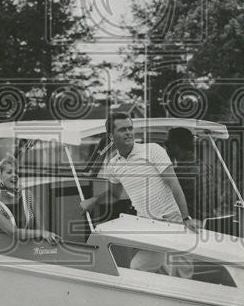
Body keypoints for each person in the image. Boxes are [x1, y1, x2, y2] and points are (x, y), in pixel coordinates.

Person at [80, 113, 197, 275]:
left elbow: (174, 185)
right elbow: (114, 194)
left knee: (175, 272)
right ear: (111, 136)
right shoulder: (113, 164)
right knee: (150, 268)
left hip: (172, 220)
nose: (128, 132)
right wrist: (93, 200)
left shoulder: (153, 150)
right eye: (122, 129)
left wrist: (185, 218)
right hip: (147, 224)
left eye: (130, 128)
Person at [0, 153, 61, 245]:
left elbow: (41, 227)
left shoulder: (28, 195)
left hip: (31, 247)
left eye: (16, 172)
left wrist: (44, 234)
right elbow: (14, 232)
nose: (15, 175)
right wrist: (42, 233)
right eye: (9, 172)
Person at [165, 126, 220, 224]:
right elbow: (216, 201)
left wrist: (166, 160)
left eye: (168, 144)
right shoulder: (206, 167)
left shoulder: (178, 173)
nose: (166, 148)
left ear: (176, 146)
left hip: (191, 225)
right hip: (209, 223)